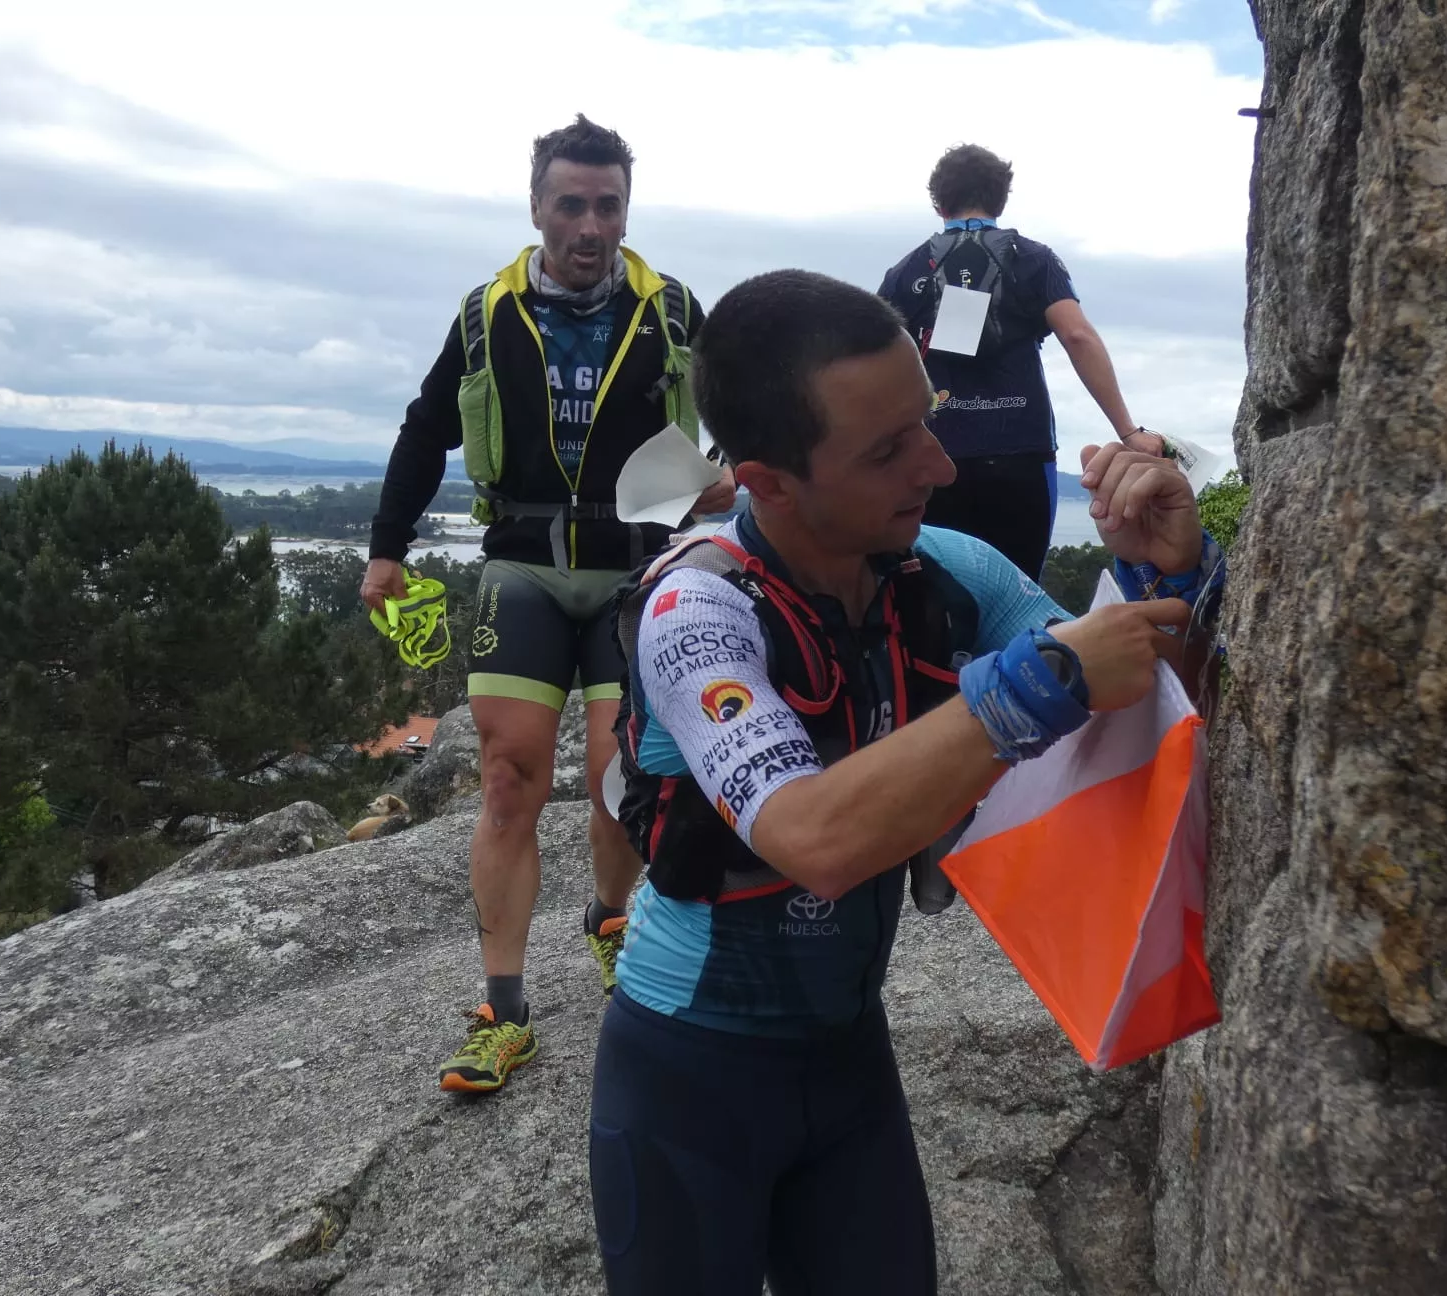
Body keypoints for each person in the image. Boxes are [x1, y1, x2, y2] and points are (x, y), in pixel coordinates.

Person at [589, 269, 1221, 1294]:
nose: (938, 463)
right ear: (769, 480)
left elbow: (1142, 713)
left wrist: (1169, 581)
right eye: (888, 450)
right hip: (687, 1069)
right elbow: (815, 839)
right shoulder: (694, 611)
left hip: (848, 1063)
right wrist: (1043, 680)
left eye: (924, 421)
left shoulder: (942, 569)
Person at [361, 115, 735, 1095]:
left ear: (625, 211)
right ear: (536, 207)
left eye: (608, 205)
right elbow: (423, 430)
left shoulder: (673, 313)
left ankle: (610, 922)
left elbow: (740, 415)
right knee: (508, 778)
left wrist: (734, 478)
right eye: (570, 203)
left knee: (620, 778)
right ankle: (504, 1009)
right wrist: (387, 550)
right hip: (522, 566)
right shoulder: (488, 314)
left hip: (631, 572)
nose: (590, 225)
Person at [878, 143, 1167, 579]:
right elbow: (1077, 335)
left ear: (938, 204)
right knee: (1019, 590)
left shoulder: (907, 271)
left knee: (937, 596)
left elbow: (873, 358)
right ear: (1001, 200)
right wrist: (1129, 431)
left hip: (935, 458)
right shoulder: (1033, 260)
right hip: (1021, 455)